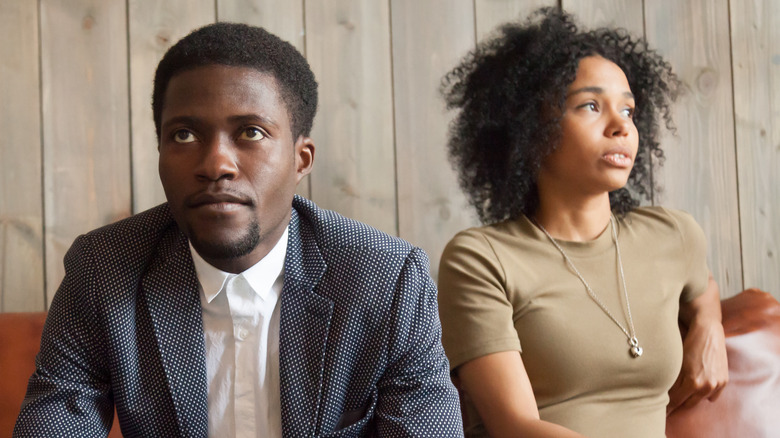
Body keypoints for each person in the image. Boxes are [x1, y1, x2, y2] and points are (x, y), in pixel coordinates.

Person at [14, 23, 463, 438]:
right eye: (184, 135)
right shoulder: (103, 269)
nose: (216, 164)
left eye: (250, 132)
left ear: (301, 159)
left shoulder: (387, 277)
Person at [436, 8, 728, 438]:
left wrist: (709, 323)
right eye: (591, 105)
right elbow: (515, 426)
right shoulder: (481, 259)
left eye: (628, 110)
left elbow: (703, 284)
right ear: (530, 129)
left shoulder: (672, 234)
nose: (621, 126)